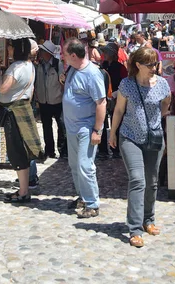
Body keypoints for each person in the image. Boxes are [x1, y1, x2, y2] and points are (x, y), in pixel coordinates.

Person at [109, 47, 171, 247]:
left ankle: (148, 220)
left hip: (153, 139)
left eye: (156, 63)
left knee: (152, 182)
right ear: (138, 65)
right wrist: (112, 133)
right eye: (150, 64)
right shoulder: (127, 84)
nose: (154, 67)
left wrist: (154, 125)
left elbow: (165, 107)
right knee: (137, 179)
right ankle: (135, 228)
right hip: (130, 137)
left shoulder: (162, 84)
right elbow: (118, 110)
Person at [0, 38, 44, 203]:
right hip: (24, 109)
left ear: (18, 49)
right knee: (22, 150)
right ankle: (24, 190)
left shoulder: (16, 67)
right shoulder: (29, 65)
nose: (8, 49)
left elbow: (3, 88)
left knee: (16, 151)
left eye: (11, 46)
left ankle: (23, 192)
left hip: (13, 113)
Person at [62, 38, 106, 218]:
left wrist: (97, 130)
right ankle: (83, 196)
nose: (63, 57)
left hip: (86, 128)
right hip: (72, 127)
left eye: (65, 54)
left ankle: (92, 203)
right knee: (74, 165)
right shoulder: (73, 69)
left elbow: (101, 103)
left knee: (85, 165)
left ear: (73, 55)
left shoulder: (92, 74)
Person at [34, 40, 65, 159]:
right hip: (43, 100)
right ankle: (49, 150)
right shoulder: (39, 65)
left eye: (42, 51)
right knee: (46, 127)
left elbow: (62, 82)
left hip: (57, 100)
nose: (40, 53)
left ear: (48, 53)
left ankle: (62, 149)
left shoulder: (58, 65)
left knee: (60, 125)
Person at [100, 42, 128, 157]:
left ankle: (115, 149)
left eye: (106, 52)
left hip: (117, 99)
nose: (104, 54)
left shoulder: (120, 68)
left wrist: (116, 94)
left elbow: (125, 83)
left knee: (116, 123)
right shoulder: (103, 66)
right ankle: (103, 151)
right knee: (102, 123)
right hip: (103, 98)